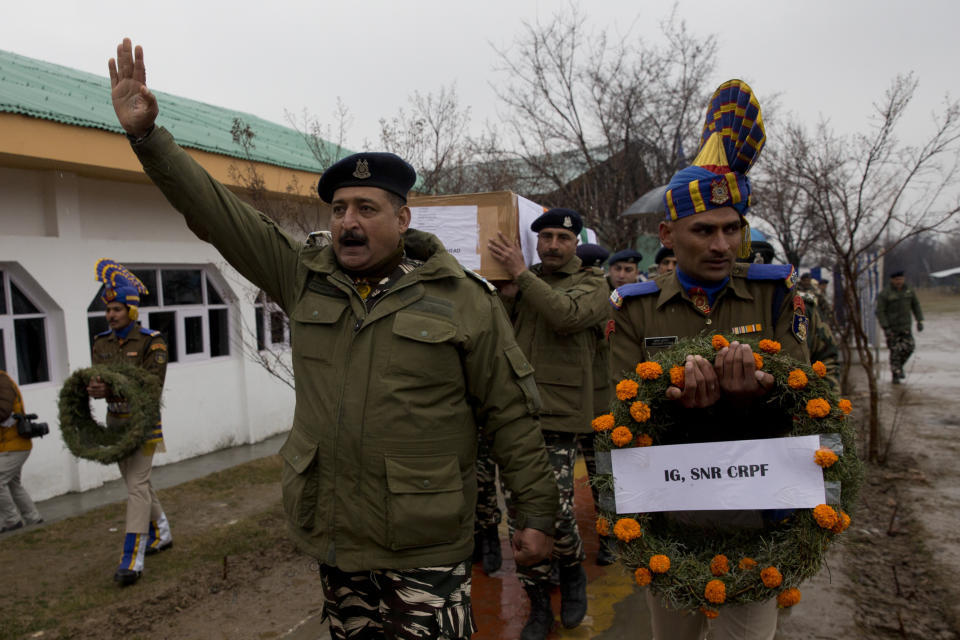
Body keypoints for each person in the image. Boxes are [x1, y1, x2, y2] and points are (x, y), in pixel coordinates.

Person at [109, 38, 558, 638]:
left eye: (367, 208)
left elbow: (511, 416)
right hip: (337, 534)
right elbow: (219, 214)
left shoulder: (462, 299)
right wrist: (149, 140)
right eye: (340, 208)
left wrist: (534, 514)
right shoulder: (305, 278)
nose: (348, 221)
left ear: (402, 219)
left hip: (423, 541)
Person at [608, 79, 810, 640]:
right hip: (671, 516)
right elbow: (618, 412)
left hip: (761, 515)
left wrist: (754, 394)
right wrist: (676, 404)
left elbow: (806, 397)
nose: (722, 245)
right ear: (668, 234)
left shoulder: (775, 295)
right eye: (704, 231)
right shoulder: (634, 310)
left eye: (731, 229)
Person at [488, 209, 609, 639]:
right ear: (535, 242)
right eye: (546, 238)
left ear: (576, 242)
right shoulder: (522, 282)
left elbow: (568, 316)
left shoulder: (593, 282)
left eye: (562, 237)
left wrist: (521, 276)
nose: (553, 245)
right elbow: (497, 332)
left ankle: (572, 570)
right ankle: (538, 603)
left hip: (559, 414)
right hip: (514, 413)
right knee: (520, 514)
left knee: (554, 510)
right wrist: (503, 294)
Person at [88, 260, 173, 586]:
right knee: (138, 485)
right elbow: (100, 382)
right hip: (116, 425)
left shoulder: (153, 341)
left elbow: (152, 386)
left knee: (136, 488)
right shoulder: (102, 343)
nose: (111, 315)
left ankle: (132, 559)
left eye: (117, 309)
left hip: (143, 426)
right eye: (108, 309)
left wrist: (111, 386)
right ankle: (162, 533)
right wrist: (94, 389)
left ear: (132, 311)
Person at [0, 370, 43, 534]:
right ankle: (33, 518)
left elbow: (3, 410)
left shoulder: (2, 380)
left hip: (15, 445)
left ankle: (12, 521)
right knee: (13, 484)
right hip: (8, 446)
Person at [875, 270, 924, 384]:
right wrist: (885, 327)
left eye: (901, 279)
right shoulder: (885, 293)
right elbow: (880, 311)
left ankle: (899, 367)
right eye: (897, 279)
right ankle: (895, 374)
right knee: (895, 351)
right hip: (892, 328)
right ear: (892, 280)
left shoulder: (909, 290)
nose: (899, 282)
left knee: (910, 347)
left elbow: (915, 305)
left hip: (906, 326)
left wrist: (919, 320)